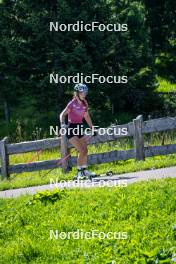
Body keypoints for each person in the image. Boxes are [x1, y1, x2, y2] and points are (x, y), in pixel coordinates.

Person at [60, 83, 97, 180]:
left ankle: (85, 170)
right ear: (77, 93)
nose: (84, 93)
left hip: (80, 127)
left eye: (85, 91)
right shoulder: (72, 103)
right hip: (72, 128)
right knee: (81, 150)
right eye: (82, 92)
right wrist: (62, 124)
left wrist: (92, 127)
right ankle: (79, 173)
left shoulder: (84, 103)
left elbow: (86, 116)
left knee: (85, 150)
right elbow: (62, 114)